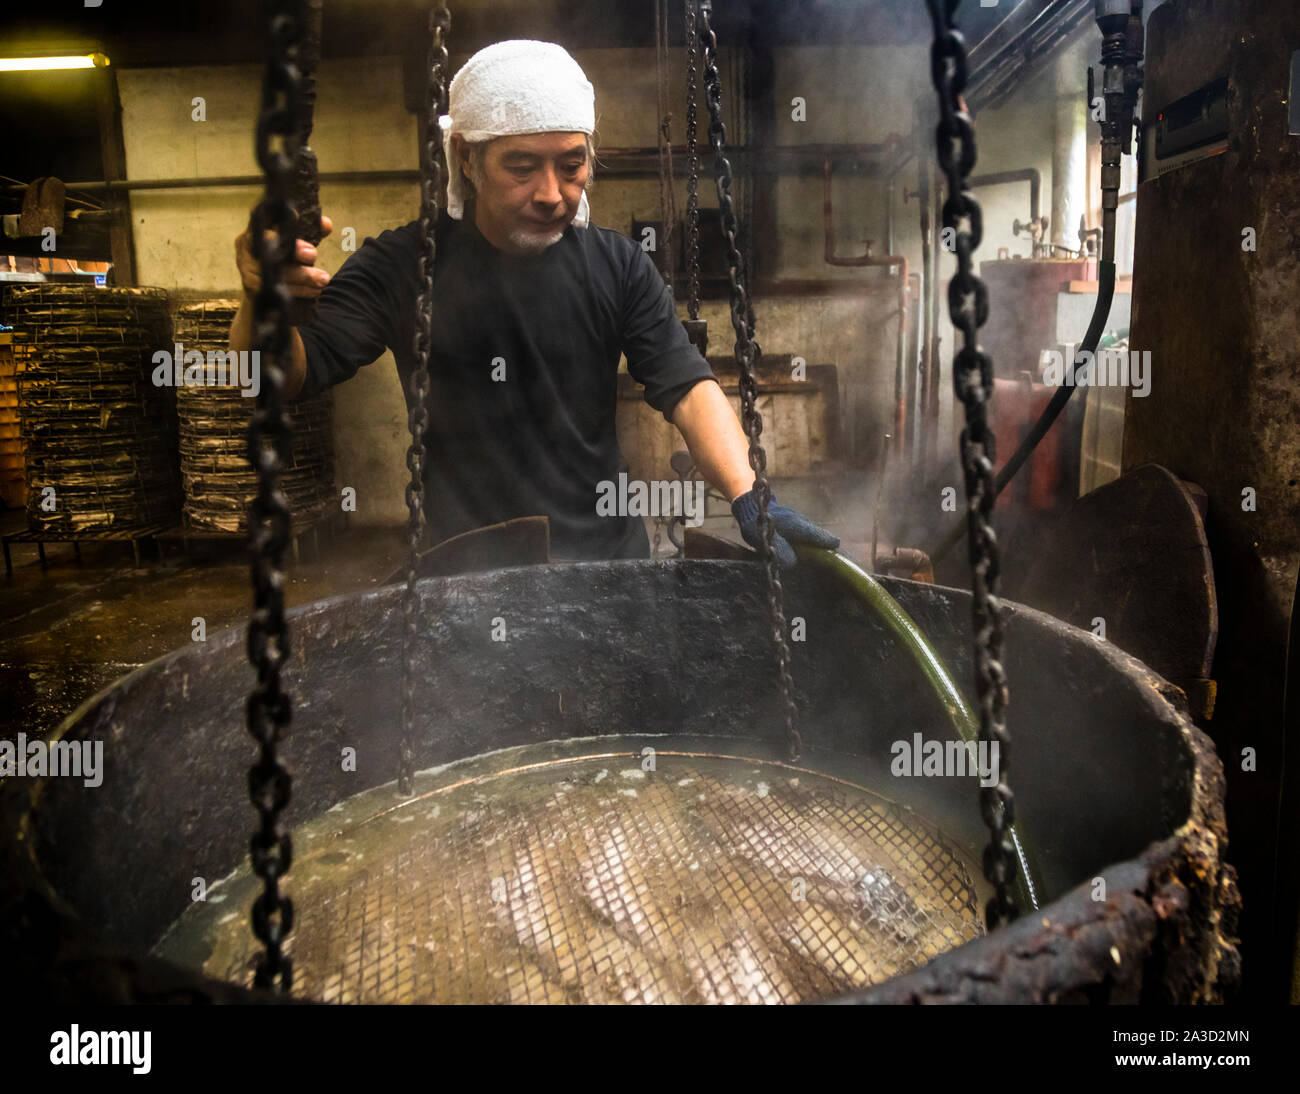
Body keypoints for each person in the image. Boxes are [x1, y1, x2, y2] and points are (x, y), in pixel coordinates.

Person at [230, 39, 836, 566]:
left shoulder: (618, 266)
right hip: (465, 575)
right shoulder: (403, 266)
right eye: (522, 167)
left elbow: (686, 385)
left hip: (604, 565)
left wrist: (747, 493)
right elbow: (277, 377)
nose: (552, 194)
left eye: (572, 167)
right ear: (467, 158)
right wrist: (261, 301)